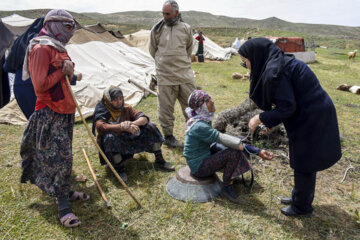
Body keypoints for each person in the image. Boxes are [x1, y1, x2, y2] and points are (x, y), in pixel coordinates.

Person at [238, 38, 342, 217]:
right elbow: (287, 102)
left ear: (256, 57)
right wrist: (271, 121)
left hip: (312, 117)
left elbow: (287, 107)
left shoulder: (277, 71)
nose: (245, 65)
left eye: (245, 61)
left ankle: (302, 208)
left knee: (304, 163)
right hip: (308, 113)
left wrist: (259, 118)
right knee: (301, 160)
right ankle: (298, 197)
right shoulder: (278, 63)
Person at [20, 10, 87, 228]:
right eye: (67, 27)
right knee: (61, 159)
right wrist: (62, 70)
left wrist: (71, 73)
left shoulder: (57, 47)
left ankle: (65, 191)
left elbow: (65, 78)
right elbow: (39, 85)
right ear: (55, 25)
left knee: (64, 156)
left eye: (72, 27)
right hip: (50, 112)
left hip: (65, 110)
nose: (71, 32)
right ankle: (63, 209)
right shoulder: (40, 49)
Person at [183, 90, 274, 203]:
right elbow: (222, 138)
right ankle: (227, 187)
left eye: (210, 98)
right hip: (198, 167)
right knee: (234, 151)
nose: (212, 101)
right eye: (207, 100)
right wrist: (256, 151)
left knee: (237, 142)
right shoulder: (199, 126)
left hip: (204, 155)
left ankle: (232, 175)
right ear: (202, 107)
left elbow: (220, 140)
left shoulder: (201, 119)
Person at [93, 86, 175, 182]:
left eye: (120, 98)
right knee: (109, 137)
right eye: (115, 100)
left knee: (150, 126)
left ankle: (160, 161)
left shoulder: (126, 108)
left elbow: (144, 118)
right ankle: (120, 168)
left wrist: (131, 124)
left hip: (129, 137)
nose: (119, 102)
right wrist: (121, 127)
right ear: (109, 100)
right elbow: (100, 127)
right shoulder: (103, 111)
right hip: (117, 141)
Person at [149, 0, 196, 148]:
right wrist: (164, 62)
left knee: (191, 107)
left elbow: (189, 49)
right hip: (165, 77)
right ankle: (169, 137)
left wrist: (180, 62)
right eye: (163, 13)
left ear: (176, 12)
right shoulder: (156, 30)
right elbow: (152, 50)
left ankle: (195, 134)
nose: (165, 16)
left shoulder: (186, 28)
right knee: (165, 109)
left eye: (167, 14)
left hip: (184, 76)